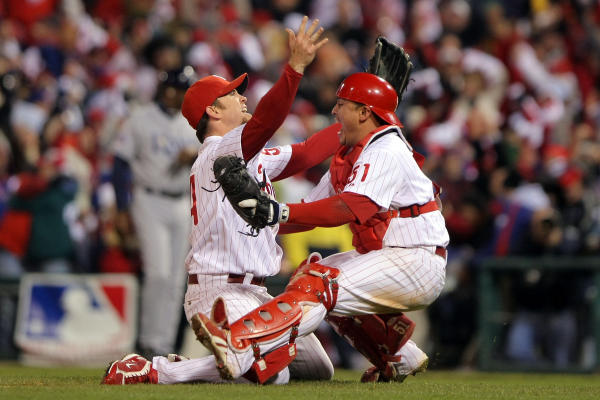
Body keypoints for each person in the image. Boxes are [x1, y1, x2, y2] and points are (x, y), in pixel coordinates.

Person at [103, 16, 338, 385]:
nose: (241, 96)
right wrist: (294, 69)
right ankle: (157, 371)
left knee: (318, 371)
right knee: (271, 376)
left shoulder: (246, 152)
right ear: (212, 111)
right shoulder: (218, 150)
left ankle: (202, 360)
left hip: (256, 292)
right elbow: (266, 121)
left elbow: (306, 154)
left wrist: (367, 119)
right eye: (231, 94)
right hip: (221, 290)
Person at [192, 72, 449, 383]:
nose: (334, 112)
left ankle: (242, 344)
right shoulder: (352, 155)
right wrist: (270, 217)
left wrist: (277, 211)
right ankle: (399, 356)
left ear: (364, 112)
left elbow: (351, 206)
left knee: (319, 283)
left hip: (415, 258)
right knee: (309, 278)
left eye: (341, 104)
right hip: (395, 256)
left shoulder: (385, 148)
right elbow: (305, 214)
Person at [111, 65, 199, 357]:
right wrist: (122, 208)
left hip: (181, 201)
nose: (175, 94)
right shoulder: (140, 118)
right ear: (163, 89)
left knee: (176, 278)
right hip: (149, 198)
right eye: (172, 88)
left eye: (181, 89)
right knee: (158, 273)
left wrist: (194, 156)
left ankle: (162, 345)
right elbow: (120, 164)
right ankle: (148, 340)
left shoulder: (193, 124)